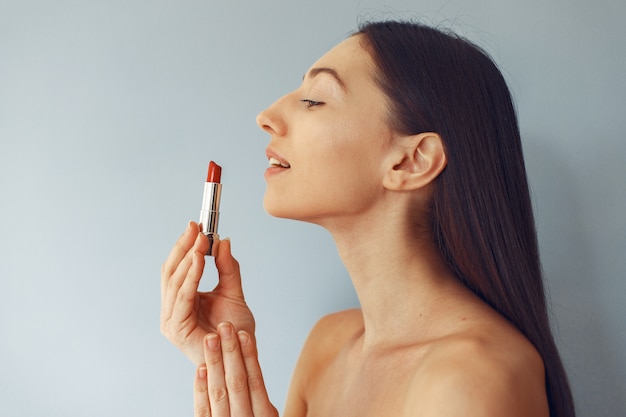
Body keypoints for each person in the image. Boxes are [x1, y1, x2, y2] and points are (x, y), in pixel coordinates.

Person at [161, 20, 576, 417]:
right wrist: (222, 354)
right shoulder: (327, 348)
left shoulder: (475, 377)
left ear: (412, 161)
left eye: (314, 100)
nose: (266, 115)